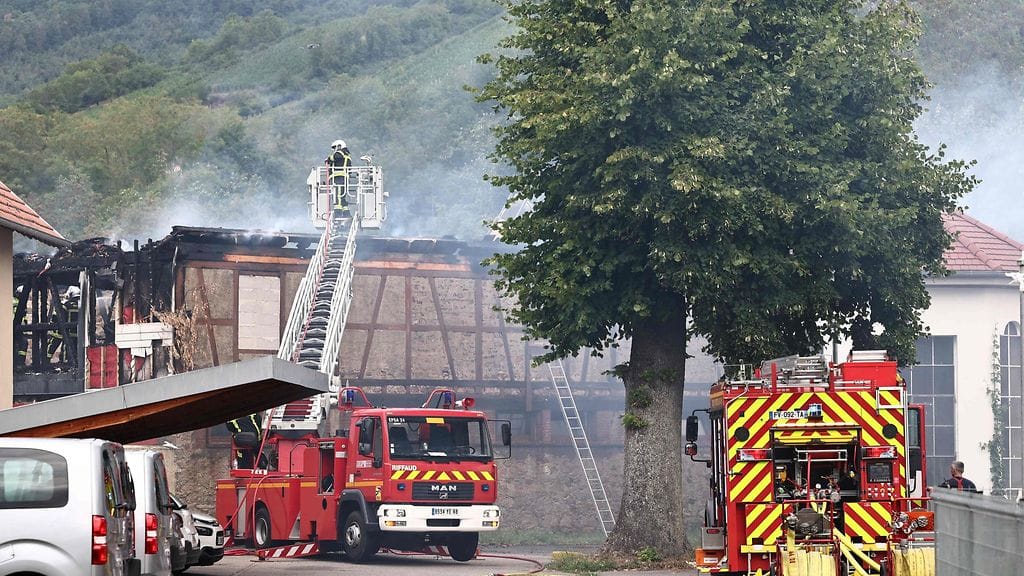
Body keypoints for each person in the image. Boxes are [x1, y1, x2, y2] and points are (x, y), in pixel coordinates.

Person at [325, 139, 352, 215]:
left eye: (335, 147)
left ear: (339, 146)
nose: (334, 150)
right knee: (342, 197)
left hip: (339, 178)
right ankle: (346, 214)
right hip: (344, 179)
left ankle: (338, 213)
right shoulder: (347, 156)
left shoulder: (339, 153)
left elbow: (335, 157)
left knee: (338, 197)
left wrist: (328, 159)